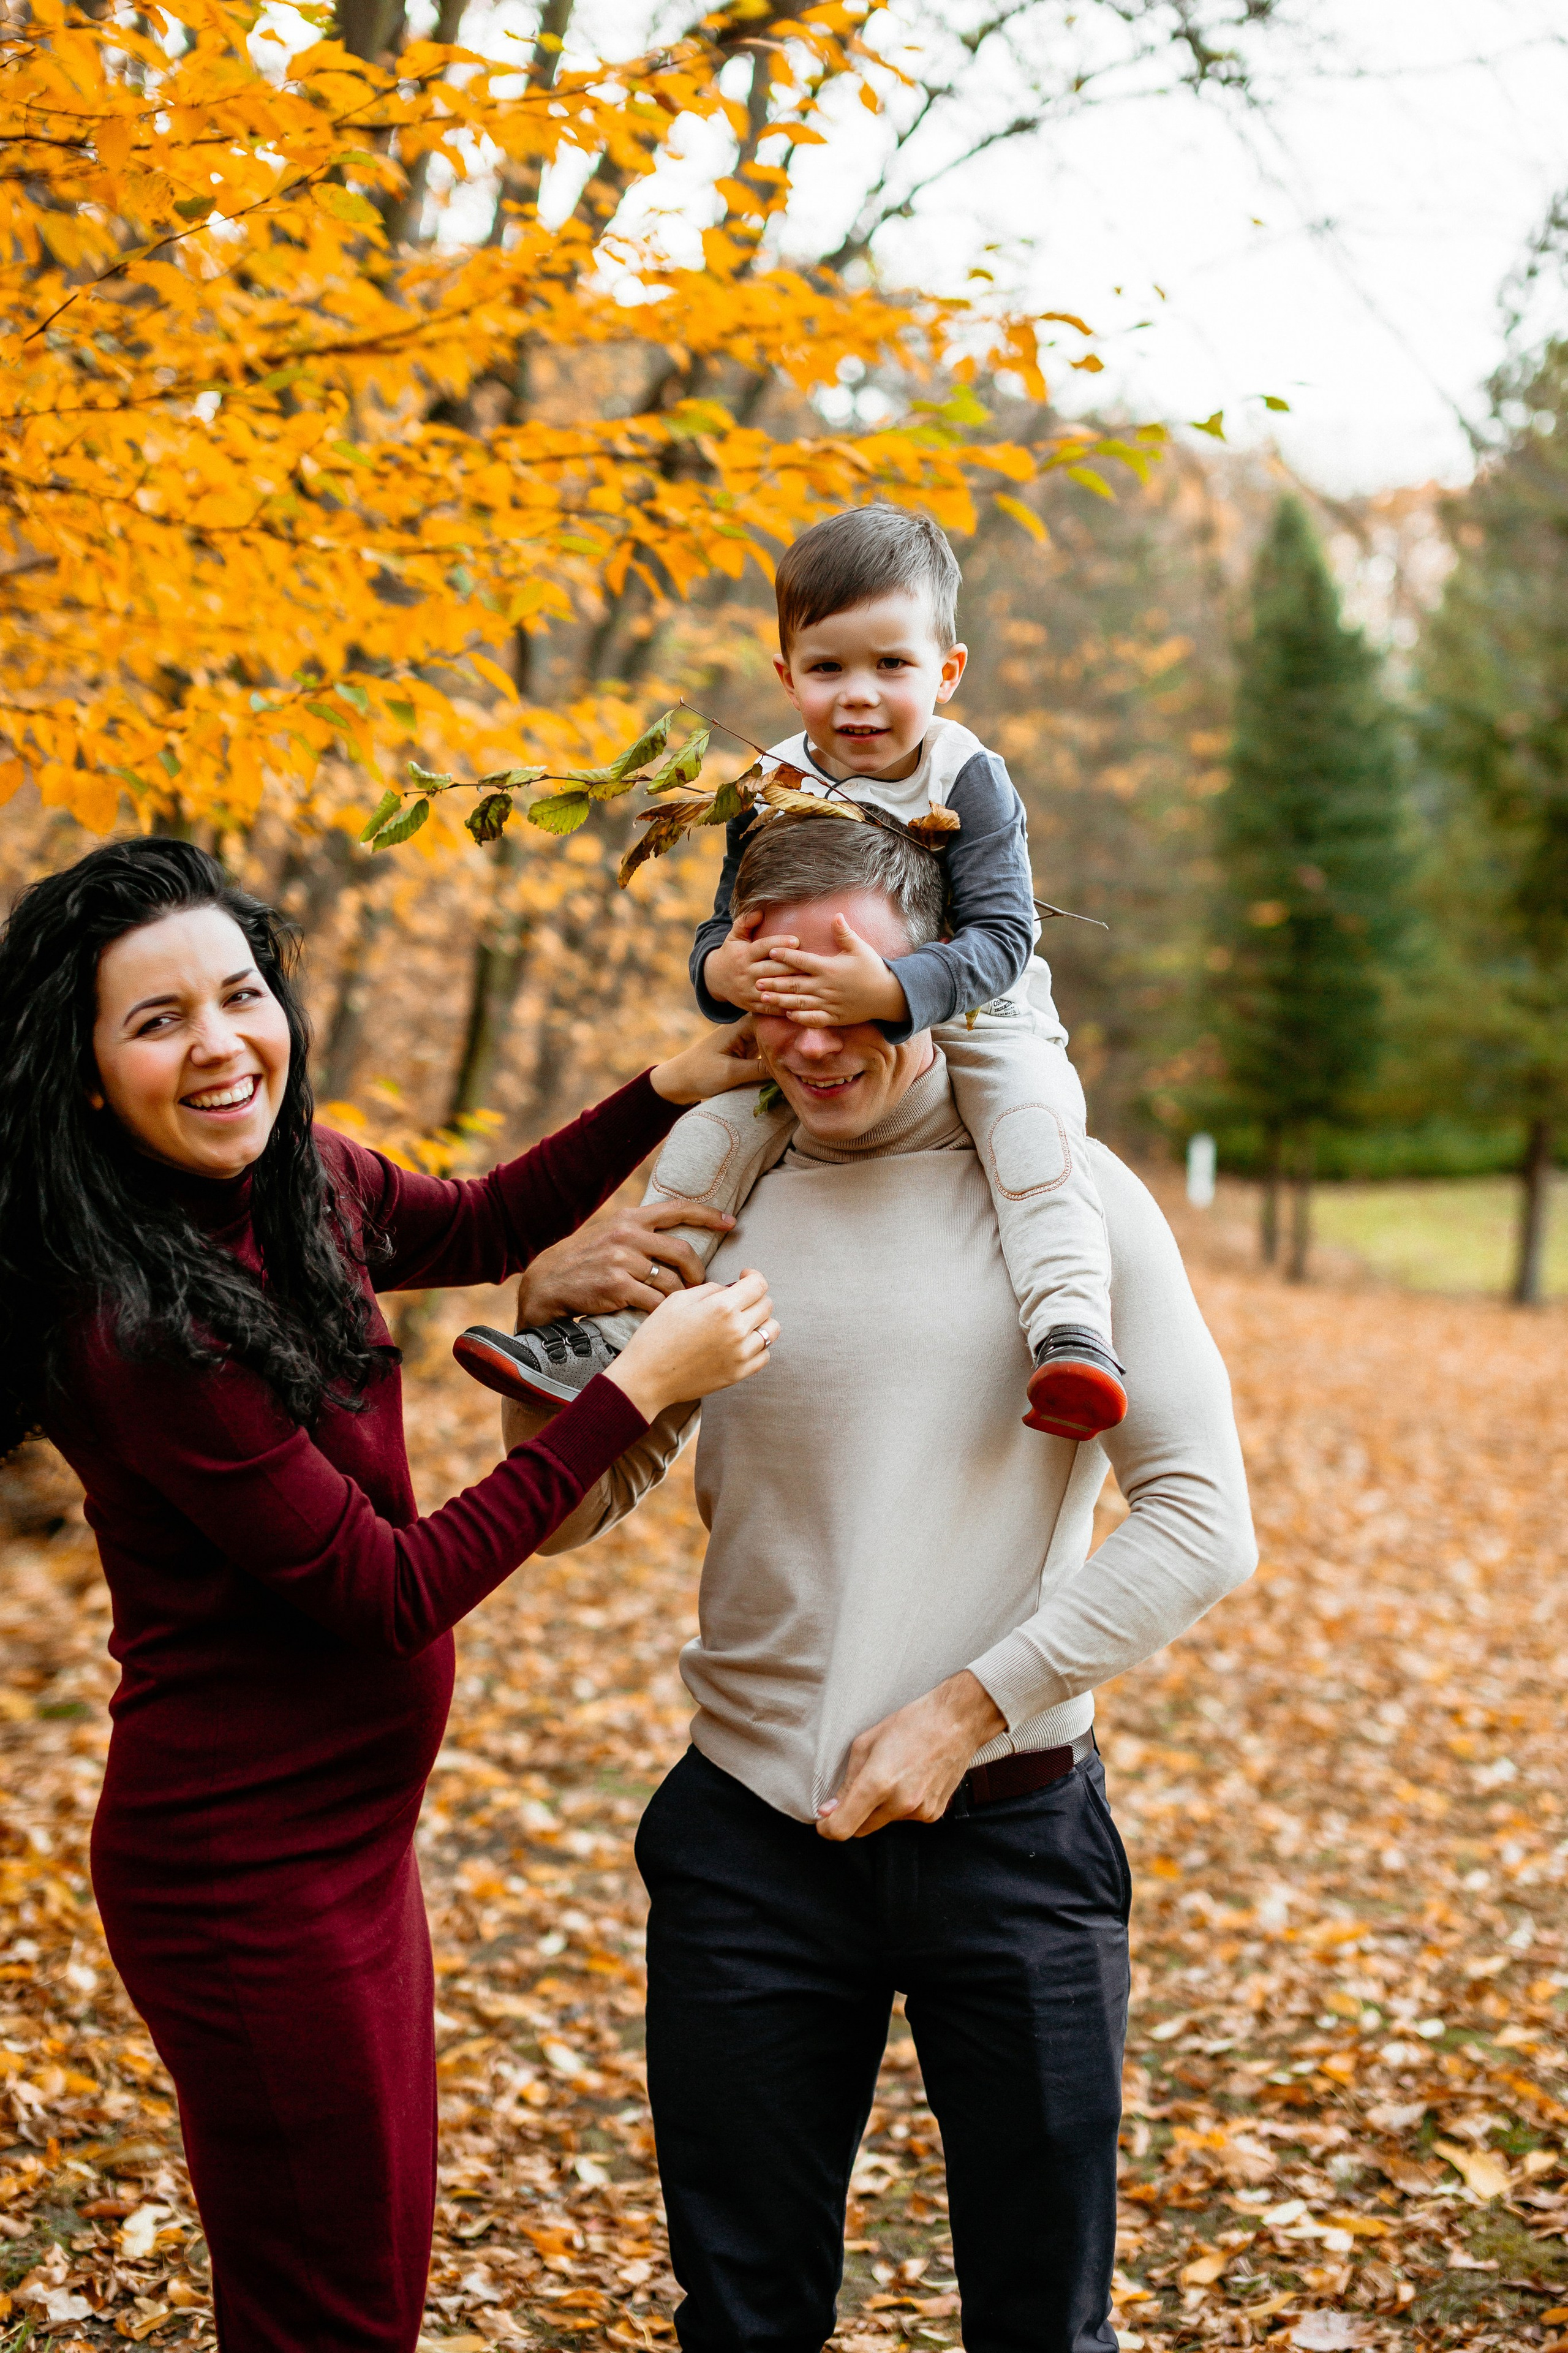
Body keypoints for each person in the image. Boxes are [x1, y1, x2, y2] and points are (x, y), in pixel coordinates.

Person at [0, 838, 778, 2353]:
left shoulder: (306, 1180)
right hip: (242, 1877)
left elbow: (482, 1221)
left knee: (364, 2281)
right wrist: (633, 1391)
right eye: (158, 1021)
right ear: (88, 1076)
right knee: (330, 2310)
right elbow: (385, 1588)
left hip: (355, 1843)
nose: (222, 1044)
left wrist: (667, 1085)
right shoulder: (140, 1327)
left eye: (239, 995)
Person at [502, 811, 1257, 2353]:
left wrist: (963, 1713)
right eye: (771, 1002)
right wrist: (544, 1352)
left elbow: (1199, 1518)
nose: (812, 1040)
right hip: (744, 1850)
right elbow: (578, 1511)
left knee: (1041, 2326)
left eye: (846, 993)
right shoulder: (715, 1199)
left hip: (1012, 1843)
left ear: (928, 978)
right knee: (742, 2315)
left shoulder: (1068, 1198)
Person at [454, 501, 1127, 1443]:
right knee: (709, 1137)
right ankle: (610, 1335)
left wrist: (893, 993)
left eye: (892, 665)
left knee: (1036, 1131)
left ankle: (1070, 1331)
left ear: (948, 669)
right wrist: (724, 969)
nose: (859, 695)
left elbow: (1005, 935)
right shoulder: (769, 784)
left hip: (984, 1020)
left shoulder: (967, 774)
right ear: (786, 675)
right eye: (827, 667)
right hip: (806, 1015)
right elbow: (722, 926)